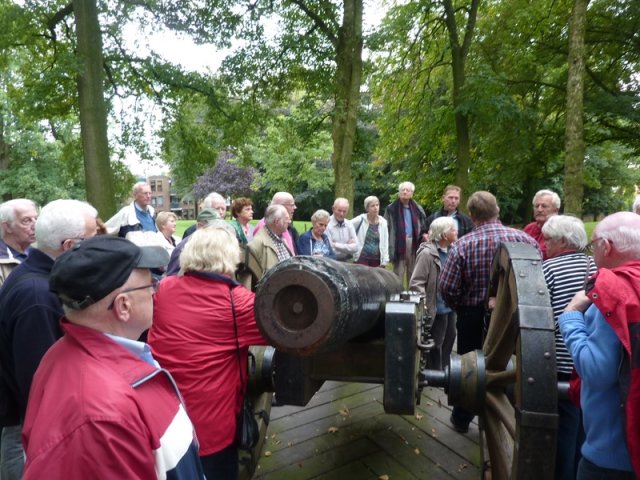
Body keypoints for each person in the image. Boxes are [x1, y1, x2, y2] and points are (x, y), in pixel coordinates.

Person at [22, 236, 204, 479]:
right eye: (151, 283)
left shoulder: (64, 353)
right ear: (123, 306)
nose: (154, 290)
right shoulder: (99, 418)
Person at [149, 227, 268, 480]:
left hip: (165, 414)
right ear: (230, 257)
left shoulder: (165, 289)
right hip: (211, 425)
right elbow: (282, 330)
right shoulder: (239, 303)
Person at [0, 199, 97, 479]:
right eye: (91, 239)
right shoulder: (37, 296)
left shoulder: (42, 279)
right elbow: (39, 386)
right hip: (30, 434)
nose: (96, 245)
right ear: (68, 246)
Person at [440, 191, 539, 434]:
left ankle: (463, 418)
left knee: (470, 369)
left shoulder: (463, 245)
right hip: (516, 318)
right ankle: (504, 409)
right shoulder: (526, 241)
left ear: (471, 215)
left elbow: (447, 287)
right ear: (497, 211)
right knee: (512, 366)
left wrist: (461, 307)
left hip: (472, 316)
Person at [559, 212, 640, 479]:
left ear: (607, 247)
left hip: (612, 456)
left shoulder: (614, 292)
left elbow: (597, 371)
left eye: (594, 246)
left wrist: (571, 316)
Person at [541, 215, 596, 480]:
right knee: (584, 427)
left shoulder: (549, 270)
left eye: (548, 239)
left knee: (563, 428)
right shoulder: (596, 266)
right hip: (588, 360)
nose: (544, 244)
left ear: (563, 241)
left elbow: (538, 317)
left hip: (560, 360)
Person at [409, 217, 458, 371]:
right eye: (453, 229)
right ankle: (433, 373)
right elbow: (416, 283)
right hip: (436, 308)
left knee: (450, 338)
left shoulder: (453, 250)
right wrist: (424, 305)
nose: (456, 232)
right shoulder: (427, 254)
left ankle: (445, 370)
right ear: (444, 235)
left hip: (450, 307)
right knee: (436, 342)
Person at [384, 181, 428, 285]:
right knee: (398, 273)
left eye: (407, 190)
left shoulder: (418, 209)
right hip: (398, 242)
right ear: (399, 193)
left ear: (412, 193)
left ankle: (413, 297)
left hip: (414, 243)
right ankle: (396, 296)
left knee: (413, 272)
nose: (404, 192)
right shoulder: (391, 209)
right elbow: (386, 227)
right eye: (402, 190)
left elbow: (423, 227)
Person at [166, 208, 223, 276]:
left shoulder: (219, 244)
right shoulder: (183, 248)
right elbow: (172, 277)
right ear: (200, 226)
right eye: (214, 227)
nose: (219, 231)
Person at [245, 204, 292, 282]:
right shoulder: (256, 244)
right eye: (287, 218)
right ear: (277, 222)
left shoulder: (281, 239)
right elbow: (248, 280)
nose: (289, 221)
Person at [0, 199, 37, 285]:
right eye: (27, 220)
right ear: (8, 226)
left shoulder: (37, 253)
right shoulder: (2, 261)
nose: (36, 225)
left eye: (36, 218)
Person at [523, 189, 561, 260]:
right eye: (536, 206)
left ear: (556, 210)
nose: (539, 210)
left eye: (544, 206)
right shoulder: (529, 228)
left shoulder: (560, 230)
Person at [352, 196, 389, 267]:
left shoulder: (383, 222)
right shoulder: (360, 219)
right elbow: (347, 227)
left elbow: (385, 242)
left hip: (377, 260)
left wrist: (385, 259)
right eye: (372, 206)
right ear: (367, 208)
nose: (376, 208)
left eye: (377, 205)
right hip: (362, 259)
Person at [326, 198, 359, 262]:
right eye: (339, 210)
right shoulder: (326, 224)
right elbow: (330, 248)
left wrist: (335, 244)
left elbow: (356, 247)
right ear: (333, 209)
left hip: (346, 261)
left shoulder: (349, 224)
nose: (341, 214)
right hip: (331, 261)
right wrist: (348, 246)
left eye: (344, 211)